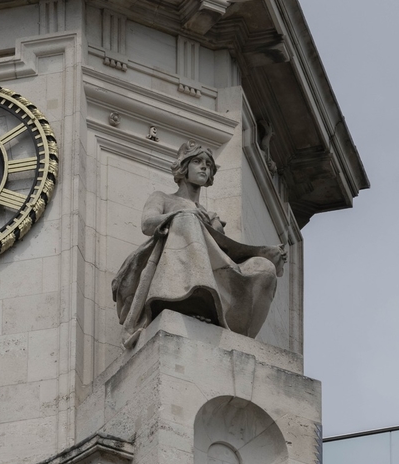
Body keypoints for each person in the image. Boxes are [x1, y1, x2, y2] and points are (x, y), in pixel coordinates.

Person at [111, 143, 286, 350]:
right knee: (186, 219)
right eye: (197, 161)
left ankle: (242, 342)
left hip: (214, 271)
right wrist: (180, 214)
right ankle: (197, 297)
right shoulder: (164, 198)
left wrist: (264, 253)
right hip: (173, 268)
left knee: (264, 268)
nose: (204, 167)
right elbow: (147, 223)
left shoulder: (209, 216)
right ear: (184, 167)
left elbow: (225, 254)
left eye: (209, 164)